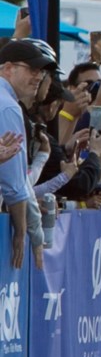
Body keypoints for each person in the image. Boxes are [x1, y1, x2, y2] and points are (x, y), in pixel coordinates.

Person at [0, 40, 56, 269]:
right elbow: (15, 182)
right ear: (8, 68)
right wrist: (22, 232)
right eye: (32, 69)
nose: (39, 77)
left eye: (41, 71)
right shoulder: (8, 107)